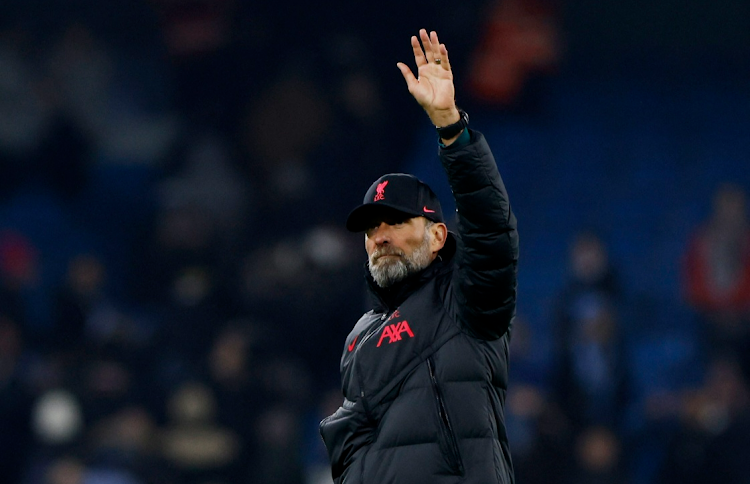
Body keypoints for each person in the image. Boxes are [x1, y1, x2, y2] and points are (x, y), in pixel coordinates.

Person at [319, 29, 519, 483]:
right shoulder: (360, 338)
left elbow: (491, 233)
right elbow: (349, 436)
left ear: (436, 237)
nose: (380, 236)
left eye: (396, 222)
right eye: (372, 227)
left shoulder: (466, 302)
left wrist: (451, 127)